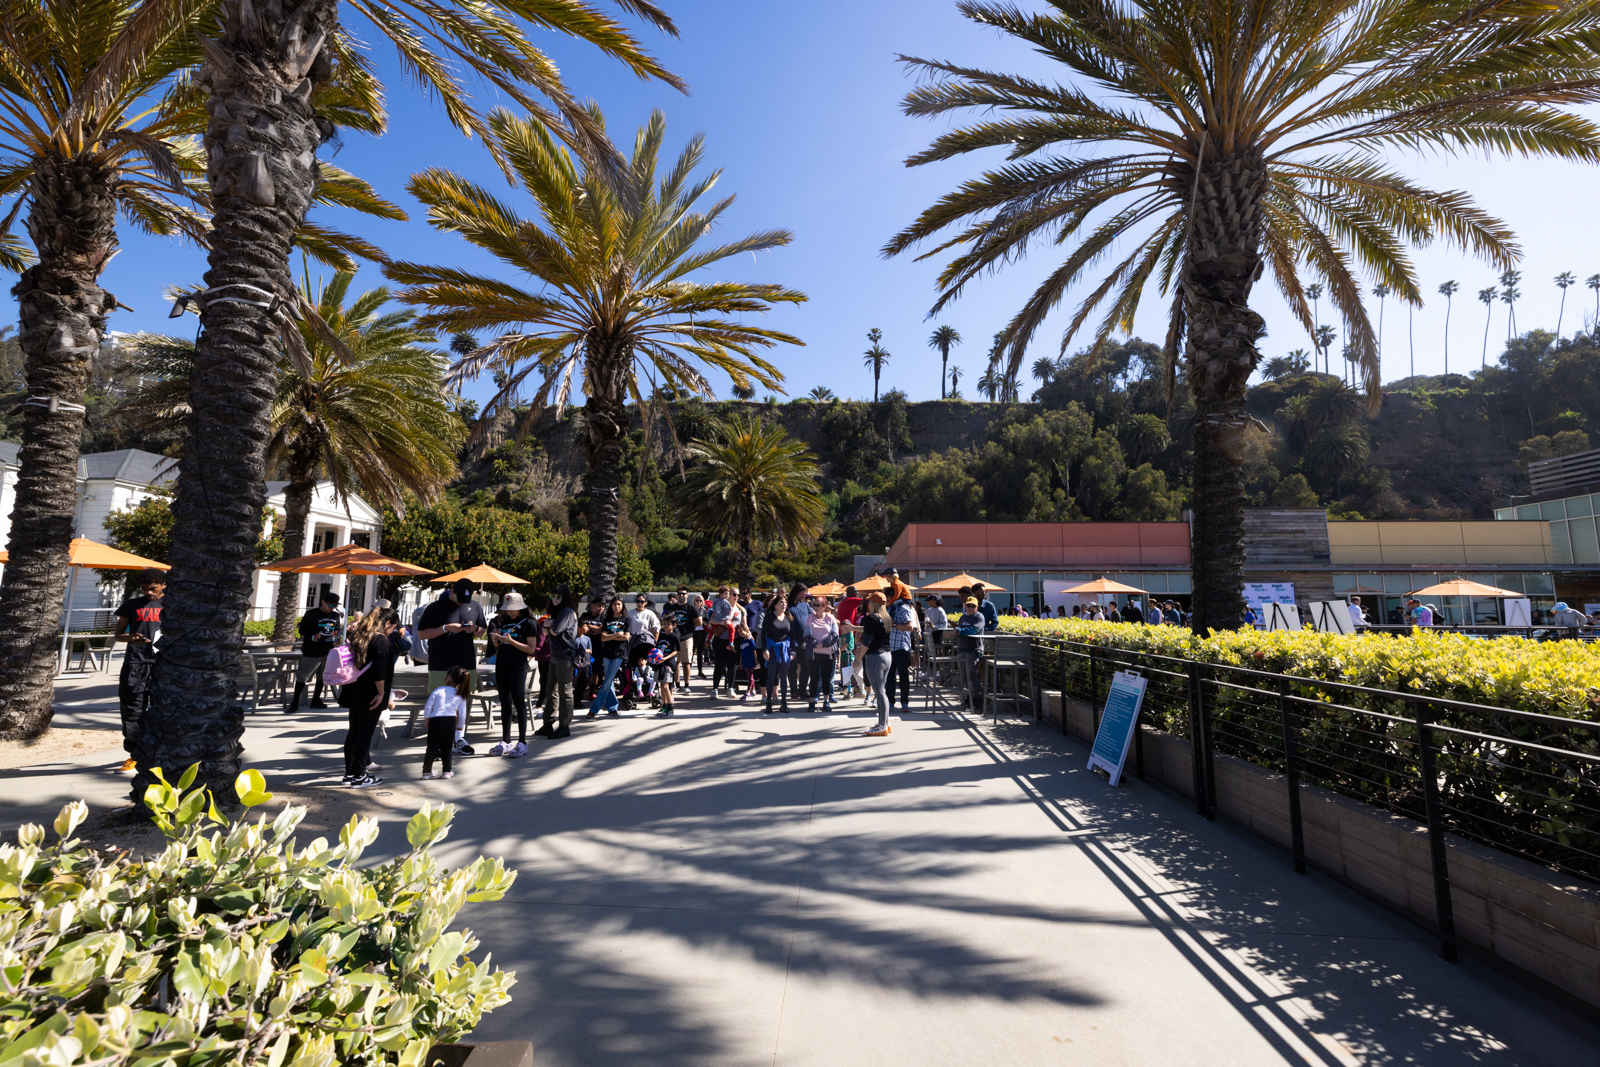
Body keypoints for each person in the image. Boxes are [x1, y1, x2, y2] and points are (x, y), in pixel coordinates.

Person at [416, 580, 487, 754]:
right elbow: (421, 633)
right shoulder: (435, 607)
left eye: (467, 598)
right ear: (452, 591)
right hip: (441, 663)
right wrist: (445, 628)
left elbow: (481, 630)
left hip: (466, 663)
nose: (463, 601)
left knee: (463, 702)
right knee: (440, 702)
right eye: (460, 597)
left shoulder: (475, 606)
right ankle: (438, 742)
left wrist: (474, 629)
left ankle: (459, 738)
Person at [112, 568, 167, 774]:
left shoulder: (172, 605)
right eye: (144, 589)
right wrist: (131, 638)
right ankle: (135, 755)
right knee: (131, 711)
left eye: (153, 588)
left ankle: (160, 753)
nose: (148, 593)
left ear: (163, 585)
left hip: (163, 664)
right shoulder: (131, 605)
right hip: (135, 663)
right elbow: (118, 635)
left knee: (162, 710)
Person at [339, 607, 398, 787]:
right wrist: (382, 694)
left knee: (354, 732)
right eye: (393, 627)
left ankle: (350, 773)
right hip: (371, 693)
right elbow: (379, 671)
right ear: (387, 623)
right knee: (366, 733)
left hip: (353, 689)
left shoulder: (359, 636)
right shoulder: (381, 640)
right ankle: (359, 776)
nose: (393, 631)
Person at [487, 592, 537, 757]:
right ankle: (506, 740)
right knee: (505, 702)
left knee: (518, 701)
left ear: (521, 607)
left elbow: (531, 649)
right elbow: (499, 647)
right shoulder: (505, 622)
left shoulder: (529, 623)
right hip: (502, 664)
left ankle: (522, 741)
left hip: (518, 665)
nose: (509, 612)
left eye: (512, 609)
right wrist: (496, 640)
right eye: (507, 610)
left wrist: (511, 641)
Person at [844, 591, 894, 737]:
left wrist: (858, 658)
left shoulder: (871, 617)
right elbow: (870, 631)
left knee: (879, 692)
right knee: (881, 690)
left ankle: (882, 725)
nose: (868, 604)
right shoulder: (885, 617)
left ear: (873, 604)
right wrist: (853, 628)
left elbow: (867, 640)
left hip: (875, 657)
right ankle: (885, 722)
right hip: (886, 656)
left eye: (869, 602)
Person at [537, 585, 579, 738]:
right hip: (554, 655)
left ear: (564, 597)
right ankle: (548, 723)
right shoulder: (556, 611)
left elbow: (553, 630)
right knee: (550, 691)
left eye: (557, 597)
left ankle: (564, 726)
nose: (554, 599)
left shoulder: (567, 612)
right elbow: (545, 631)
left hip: (565, 656)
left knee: (565, 692)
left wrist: (549, 624)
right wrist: (548, 625)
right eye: (552, 596)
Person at [289, 590, 342, 712]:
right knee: (303, 676)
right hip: (311, 651)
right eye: (330, 605)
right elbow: (302, 630)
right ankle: (295, 701)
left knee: (322, 677)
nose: (332, 608)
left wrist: (336, 638)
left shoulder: (335, 615)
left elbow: (337, 629)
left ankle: (316, 700)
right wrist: (313, 636)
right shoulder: (312, 614)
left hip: (328, 651)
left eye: (335, 606)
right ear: (322, 602)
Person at [421, 665, 470, 779]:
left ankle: (427, 772)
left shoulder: (438, 690)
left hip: (436, 721)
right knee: (447, 748)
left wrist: (427, 718)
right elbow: (462, 713)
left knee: (431, 748)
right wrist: (460, 726)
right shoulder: (461, 695)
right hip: (450, 722)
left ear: (448, 678)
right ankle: (447, 771)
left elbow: (428, 706)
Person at [588, 596, 630, 717]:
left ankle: (594, 709)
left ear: (622, 605)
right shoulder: (607, 620)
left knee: (608, 679)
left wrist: (610, 636)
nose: (616, 606)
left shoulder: (627, 620)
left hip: (620, 653)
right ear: (611, 606)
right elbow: (603, 638)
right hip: (607, 653)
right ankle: (612, 708)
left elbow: (626, 637)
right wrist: (617, 634)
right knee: (609, 680)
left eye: (619, 604)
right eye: (614, 604)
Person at [762, 591, 795, 712]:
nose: (784, 604)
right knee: (771, 676)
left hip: (785, 650)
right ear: (775, 604)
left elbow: (792, 635)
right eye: (781, 602)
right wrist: (765, 649)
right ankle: (769, 702)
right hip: (772, 649)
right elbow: (763, 634)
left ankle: (784, 703)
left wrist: (793, 651)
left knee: (783, 676)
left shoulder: (788, 617)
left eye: (785, 602)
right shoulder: (769, 616)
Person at [887, 585, 917, 713]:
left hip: (901, 647)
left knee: (903, 676)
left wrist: (893, 624)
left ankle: (904, 702)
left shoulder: (903, 608)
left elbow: (910, 627)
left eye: (886, 598)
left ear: (891, 597)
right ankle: (890, 702)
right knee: (889, 677)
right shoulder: (888, 609)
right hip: (889, 647)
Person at [808, 598, 840, 711]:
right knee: (814, 678)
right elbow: (806, 634)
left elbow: (835, 634)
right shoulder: (810, 617)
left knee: (827, 679)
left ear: (824, 606)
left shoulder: (830, 618)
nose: (815, 607)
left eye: (818, 605)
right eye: (814, 604)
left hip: (828, 653)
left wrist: (825, 644)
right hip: (814, 653)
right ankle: (812, 701)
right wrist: (816, 643)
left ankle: (826, 701)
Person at [954, 597, 984, 709]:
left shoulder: (979, 617)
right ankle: (970, 697)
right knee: (964, 676)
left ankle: (978, 698)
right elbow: (959, 629)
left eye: (973, 606)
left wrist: (958, 631)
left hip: (974, 650)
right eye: (968, 606)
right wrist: (956, 630)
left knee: (972, 675)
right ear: (965, 606)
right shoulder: (963, 617)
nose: (970, 608)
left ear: (977, 607)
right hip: (962, 649)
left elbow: (973, 630)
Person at [651, 615, 682, 718]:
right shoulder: (661, 635)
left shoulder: (674, 636)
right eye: (664, 623)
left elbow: (675, 651)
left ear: (674, 625)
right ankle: (664, 706)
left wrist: (665, 658)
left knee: (666, 685)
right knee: (661, 685)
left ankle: (670, 707)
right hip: (659, 663)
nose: (665, 625)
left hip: (668, 663)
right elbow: (657, 648)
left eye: (668, 624)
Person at [736, 622, 761, 702]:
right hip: (745, 662)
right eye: (738, 632)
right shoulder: (742, 642)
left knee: (750, 677)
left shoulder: (750, 640)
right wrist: (740, 663)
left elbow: (754, 650)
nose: (740, 633)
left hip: (751, 661)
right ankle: (753, 691)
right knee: (750, 676)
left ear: (746, 630)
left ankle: (748, 692)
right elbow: (741, 653)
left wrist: (756, 660)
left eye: (741, 631)